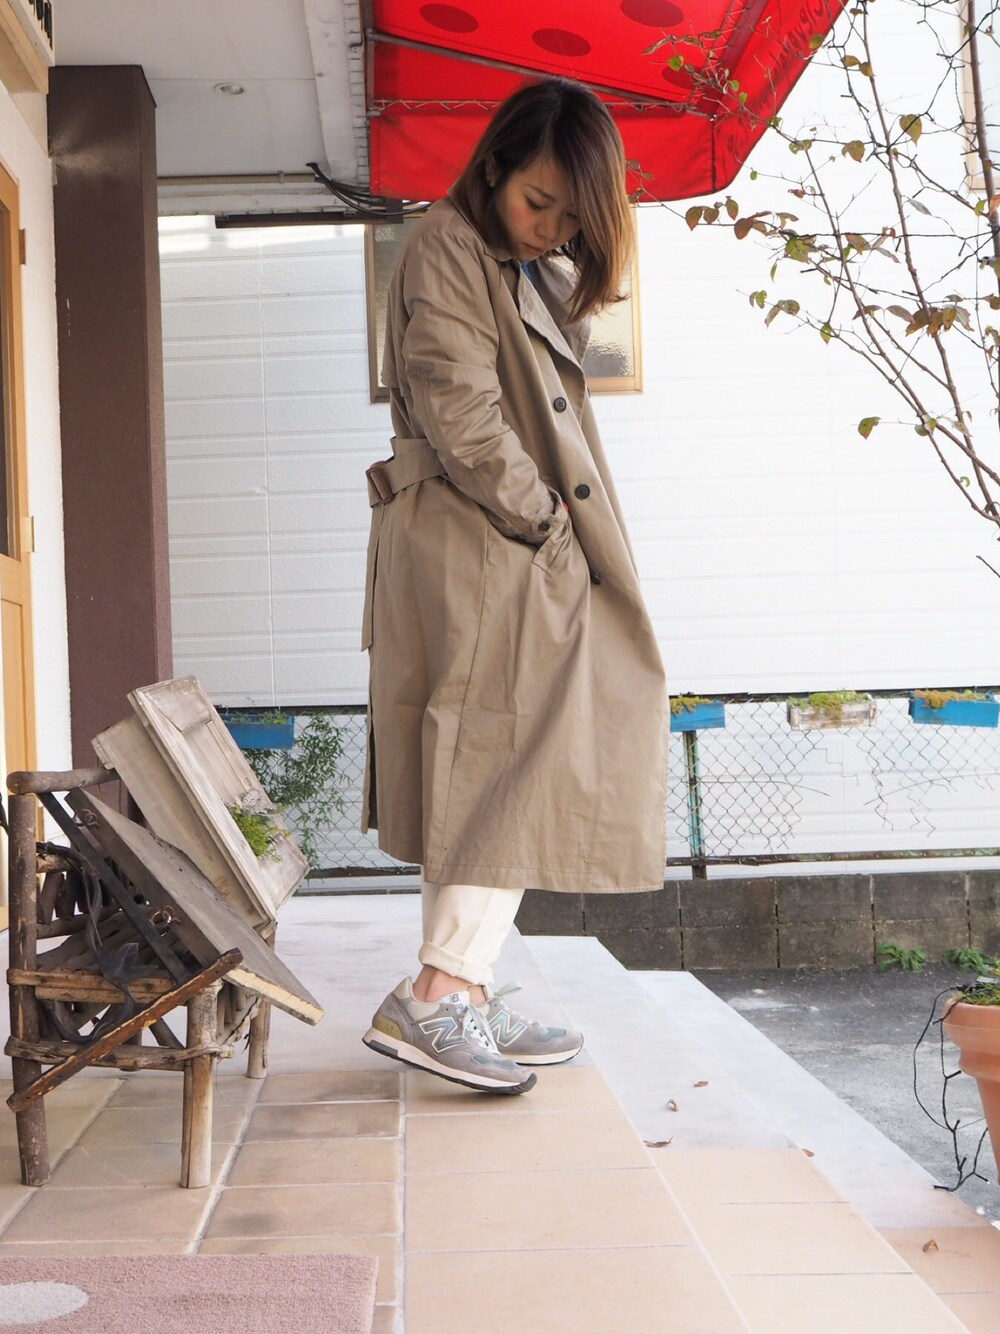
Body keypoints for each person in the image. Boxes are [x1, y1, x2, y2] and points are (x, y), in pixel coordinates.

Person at [361, 77, 668, 1094]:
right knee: (506, 757)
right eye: (539, 201)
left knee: (497, 758)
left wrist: (544, 530)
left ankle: (465, 983)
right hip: (487, 535)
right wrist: (545, 523)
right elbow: (461, 410)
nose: (550, 228)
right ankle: (441, 989)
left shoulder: (504, 258)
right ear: (494, 164)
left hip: (498, 539)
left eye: (571, 217)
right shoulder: (449, 245)